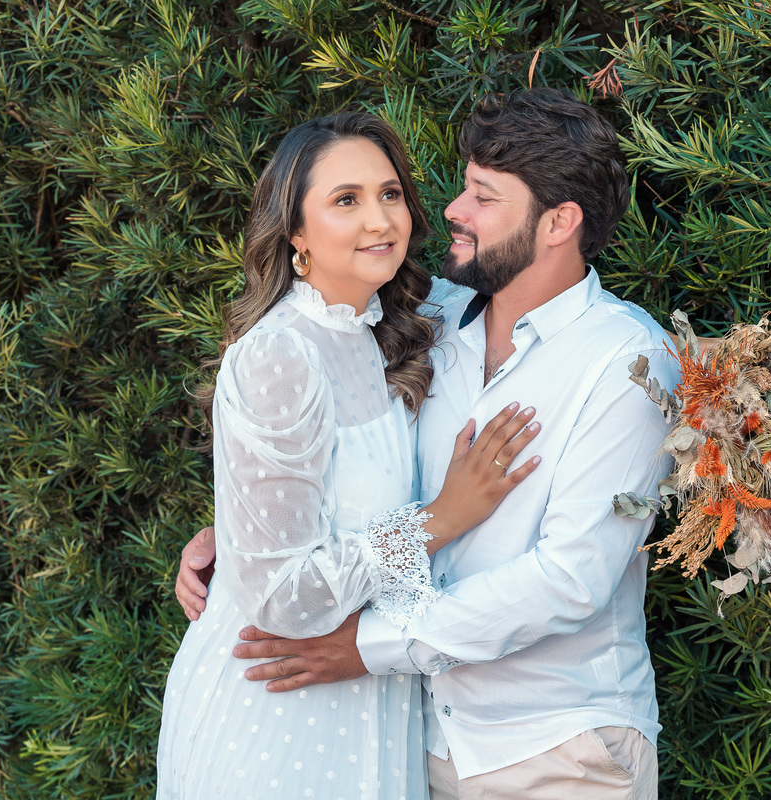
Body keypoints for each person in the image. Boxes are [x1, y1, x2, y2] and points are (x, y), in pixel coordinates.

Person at [177, 88, 680, 799]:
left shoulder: (628, 364)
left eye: (483, 196)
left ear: (558, 222)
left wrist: (365, 650)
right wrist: (248, 530)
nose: (450, 209)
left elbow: (571, 579)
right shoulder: (427, 324)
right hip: (417, 742)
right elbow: (337, 461)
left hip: (555, 749)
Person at [156, 112, 543, 800]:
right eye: (346, 200)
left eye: (389, 194)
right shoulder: (282, 353)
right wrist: (439, 520)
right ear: (295, 233)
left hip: (370, 699)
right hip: (278, 707)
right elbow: (281, 598)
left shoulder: (386, 330)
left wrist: (236, 533)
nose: (378, 220)